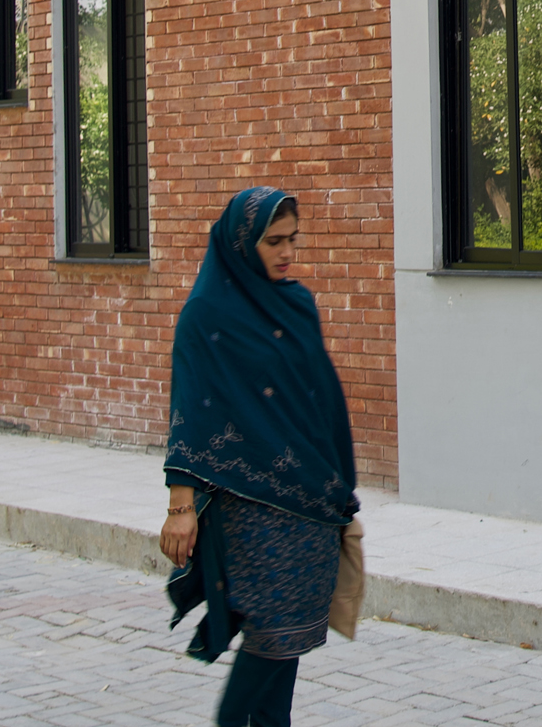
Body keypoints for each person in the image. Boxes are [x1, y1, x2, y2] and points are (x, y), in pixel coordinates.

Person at [161, 187, 360, 727]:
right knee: (270, 638)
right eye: (273, 241)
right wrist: (182, 506)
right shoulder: (207, 315)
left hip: (312, 499)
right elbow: (191, 411)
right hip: (250, 504)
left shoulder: (297, 303)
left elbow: (319, 396)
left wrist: (340, 484)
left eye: (292, 239)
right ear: (242, 243)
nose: (286, 252)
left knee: (288, 643)